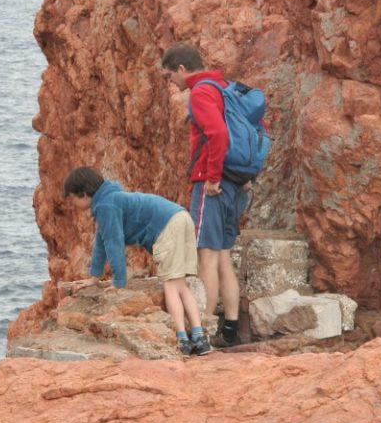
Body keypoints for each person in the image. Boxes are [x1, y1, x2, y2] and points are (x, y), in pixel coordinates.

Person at [63, 166, 212, 356]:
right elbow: (101, 242)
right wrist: (94, 277)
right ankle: (200, 338)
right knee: (181, 285)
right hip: (181, 217)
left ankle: (183, 338)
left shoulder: (106, 206)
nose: (71, 204)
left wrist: (119, 282)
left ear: (83, 194)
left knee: (171, 286)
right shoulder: (112, 199)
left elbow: (113, 244)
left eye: (72, 199)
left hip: (167, 226)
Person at [160, 41, 248, 347]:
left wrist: (211, 178)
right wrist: (242, 175)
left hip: (212, 185)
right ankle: (231, 330)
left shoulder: (200, 93)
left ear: (182, 69)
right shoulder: (224, 86)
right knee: (223, 257)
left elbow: (218, 135)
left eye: (169, 76)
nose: (170, 82)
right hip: (236, 182)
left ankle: (205, 330)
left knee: (206, 258)